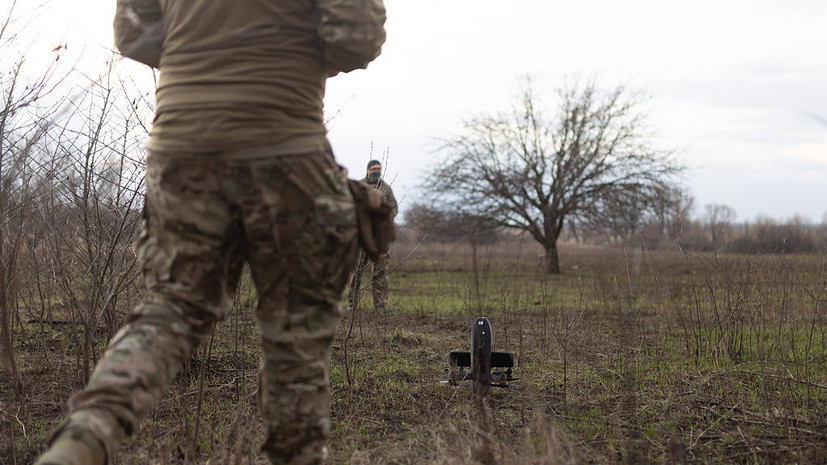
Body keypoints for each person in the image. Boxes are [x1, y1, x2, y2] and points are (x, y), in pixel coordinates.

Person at [35, 0, 385, 464]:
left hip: (182, 148)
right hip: (285, 146)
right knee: (296, 338)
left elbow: (134, 34)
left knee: (169, 313)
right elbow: (357, 39)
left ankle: (77, 447)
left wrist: (203, 50)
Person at [347, 160, 397, 311]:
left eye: (379, 169)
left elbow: (393, 208)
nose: (377, 171)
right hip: (360, 237)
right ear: (368, 170)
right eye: (374, 169)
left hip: (379, 239)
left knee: (380, 273)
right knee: (356, 272)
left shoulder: (386, 188)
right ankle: (351, 303)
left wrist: (382, 220)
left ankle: (380, 305)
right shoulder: (359, 186)